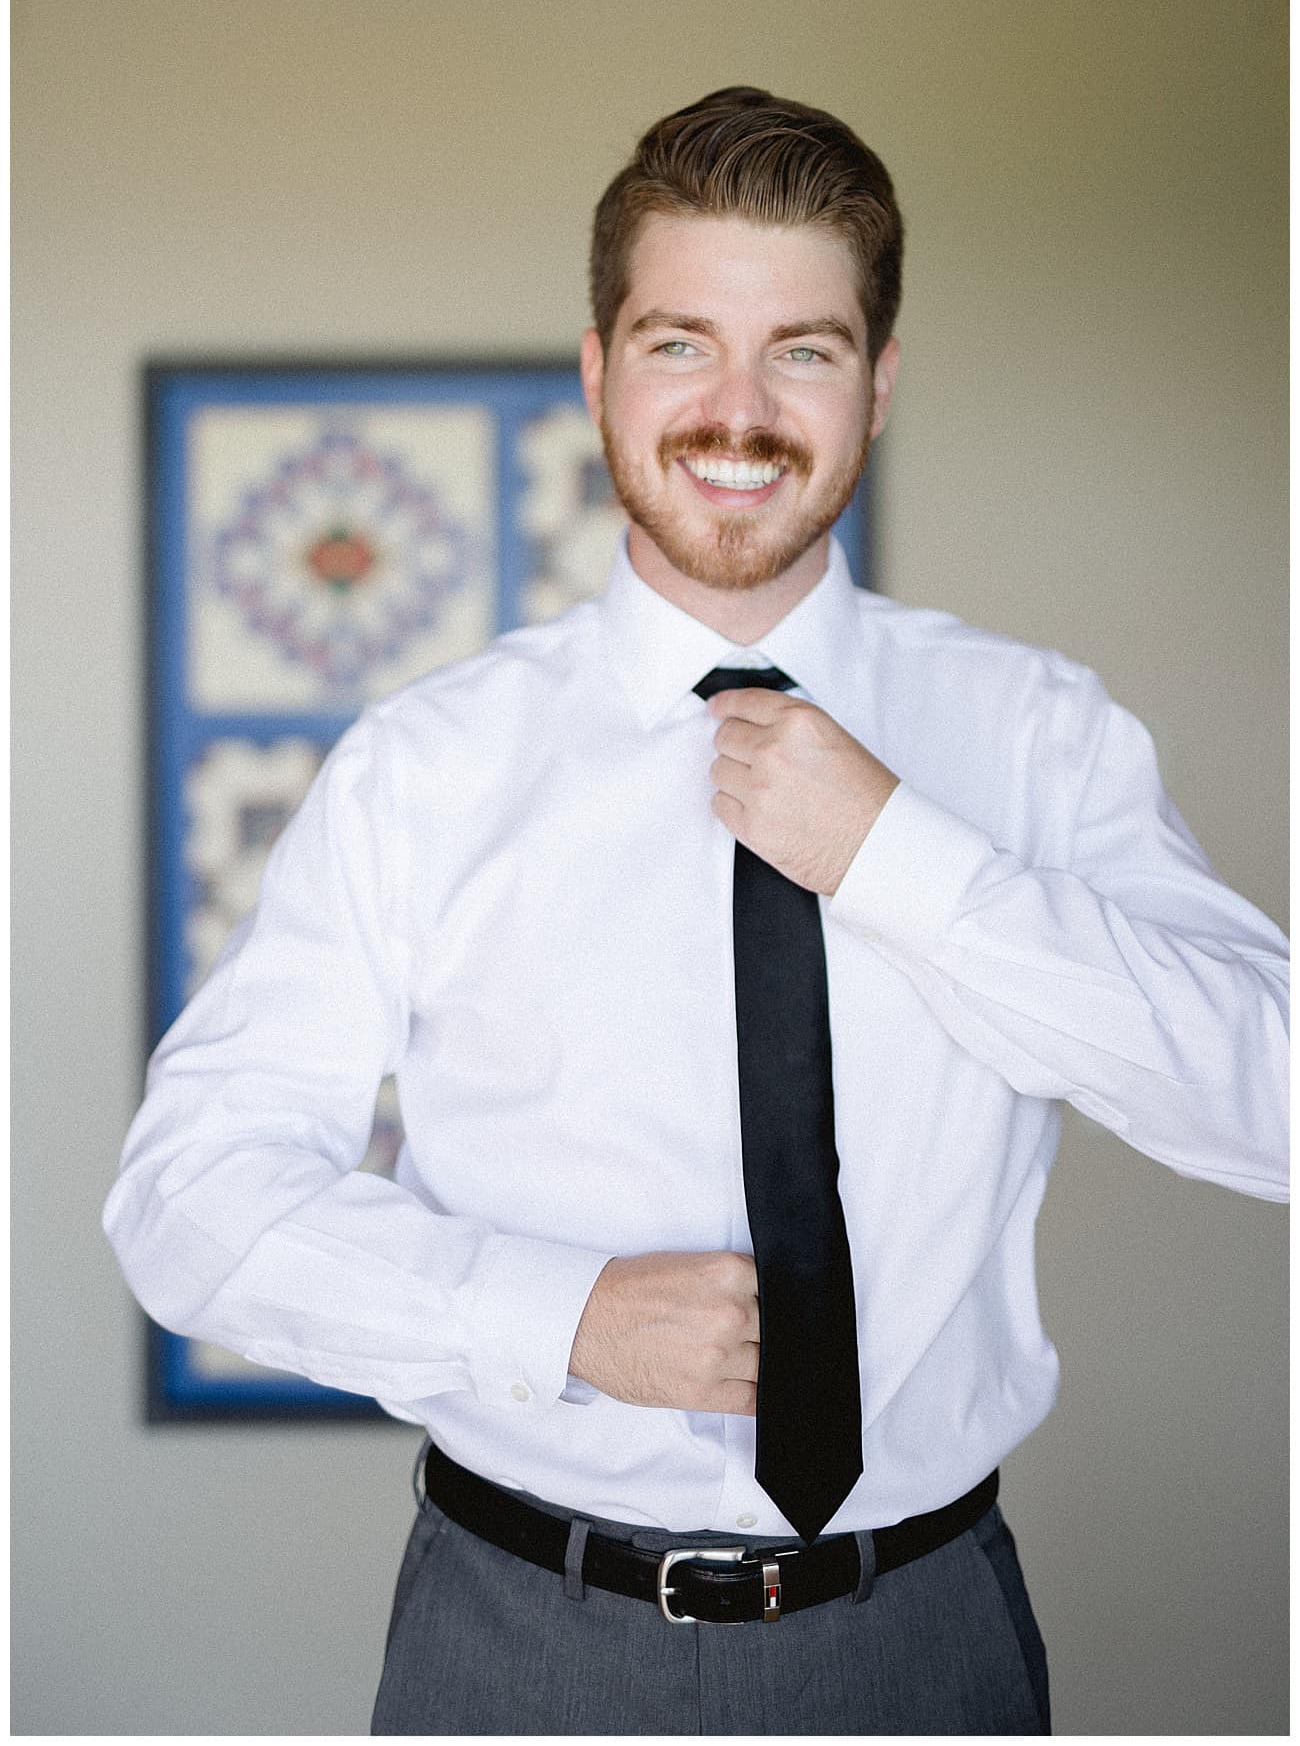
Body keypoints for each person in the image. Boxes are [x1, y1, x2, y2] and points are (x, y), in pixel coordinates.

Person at [104, 87, 1289, 1736]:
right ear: (598, 371)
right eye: (680, 344)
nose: (740, 411)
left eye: (801, 350)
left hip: (923, 1640)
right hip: (519, 1647)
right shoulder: (424, 769)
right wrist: (562, 1317)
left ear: (877, 385)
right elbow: (186, 1204)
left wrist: (903, 861)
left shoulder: (1037, 735)